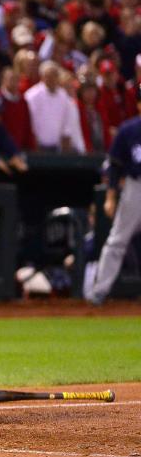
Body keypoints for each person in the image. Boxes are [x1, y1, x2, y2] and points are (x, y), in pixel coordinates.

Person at [85, 83, 141, 305]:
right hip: (135, 187)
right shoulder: (129, 130)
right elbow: (115, 166)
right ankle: (99, 291)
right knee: (117, 240)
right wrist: (110, 197)